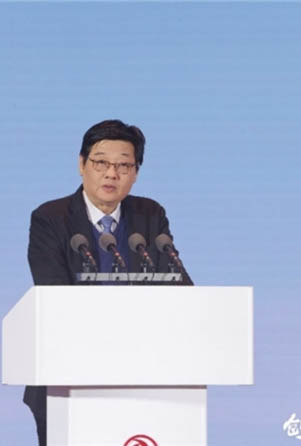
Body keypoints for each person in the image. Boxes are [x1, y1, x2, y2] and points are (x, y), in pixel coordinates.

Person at [24, 119, 192, 446]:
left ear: (136, 172)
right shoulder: (50, 218)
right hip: (68, 374)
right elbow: (53, 294)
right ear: (82, 165)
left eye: (123, 165)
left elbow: (175, 281)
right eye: (101, 162)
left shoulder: (149, 214)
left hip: (145, 376)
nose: (111, 174)